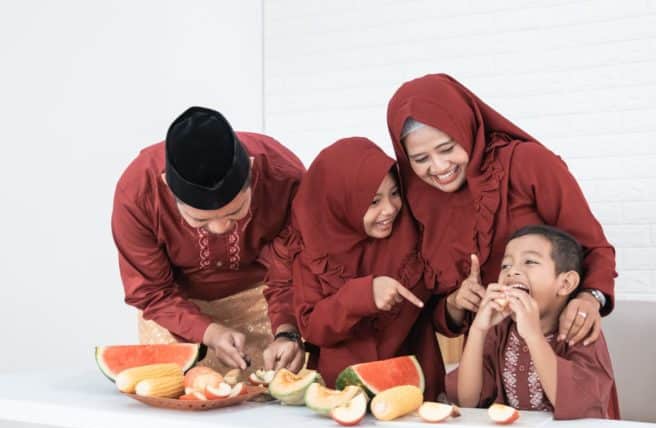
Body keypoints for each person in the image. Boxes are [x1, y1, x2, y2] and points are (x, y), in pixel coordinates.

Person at [387, 73, 617, 347]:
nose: (438, 167)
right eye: (420, 158)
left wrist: (590, 298)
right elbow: (433, 310)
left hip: (556, 342)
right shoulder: (419, 202)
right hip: (485, 356)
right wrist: (456, 302)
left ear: (466, 129)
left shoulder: (525, 163)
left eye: (447, 148)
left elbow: (594, 247)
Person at [112, 106, 305, 373]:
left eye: (236, 213)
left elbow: (291, 269)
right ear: (166, 186)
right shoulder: (138, 194)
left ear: (251, 171)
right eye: (200, 220)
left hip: (264, 305)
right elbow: (152, 292)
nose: (220, 228)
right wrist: (208, 332)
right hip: (175, 312)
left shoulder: (284, 176)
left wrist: (287, 331)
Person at [290, 137, 461, 401]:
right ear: (341, 202)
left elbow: (431, 312)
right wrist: (363, 295)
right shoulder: (313, 251)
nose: (389, 209)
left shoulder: (415, 235)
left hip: (417, 391)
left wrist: (455, 306)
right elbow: (312, 329)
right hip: (342, 394)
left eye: (394, 193)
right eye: (373, 202)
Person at [456, 225, 619, 419]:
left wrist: (533, 335)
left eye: (530, 262)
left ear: (565, 283)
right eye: (505, 265)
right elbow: (468, 401)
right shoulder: (499, 330)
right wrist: (478, 330)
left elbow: (577, 406)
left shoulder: (580, 328)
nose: (512, 272)